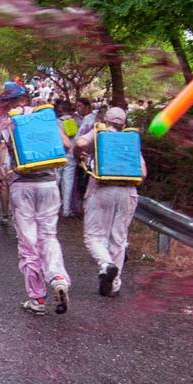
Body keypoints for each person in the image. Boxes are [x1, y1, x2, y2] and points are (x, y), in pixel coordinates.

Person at [0, 105, 72, 315]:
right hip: (48, 185)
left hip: (22, 185)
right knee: (49, 236)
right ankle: (58, 278)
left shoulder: (7, 122)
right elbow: (66, 144)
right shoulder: (45, 119)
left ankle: (37, 299)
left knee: (28, 243)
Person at [75, 106, 143, 296]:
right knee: (119, 239)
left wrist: (80, 156)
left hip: (101, 190)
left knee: (94, 236)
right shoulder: (130, 140)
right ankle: (114, 285)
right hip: (128, 192)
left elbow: (80, 143)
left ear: (105, 120)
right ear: (124, 123)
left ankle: (106, 264)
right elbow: (143, 172)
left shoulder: (100, 133)